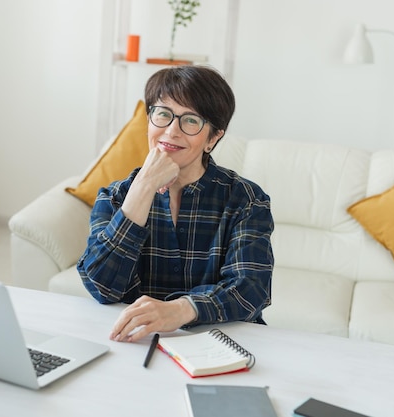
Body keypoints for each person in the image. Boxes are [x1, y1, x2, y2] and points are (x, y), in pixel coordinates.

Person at [77, 65, 274, 343]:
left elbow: (251, 290)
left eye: (191, 120)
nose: (171, 131)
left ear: (213, 137)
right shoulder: (115, 196)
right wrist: (144, 187)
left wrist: (181, 309)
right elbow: (101, 287)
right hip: (137, 342)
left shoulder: (246, 200)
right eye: (163, 114)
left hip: (221, 342)